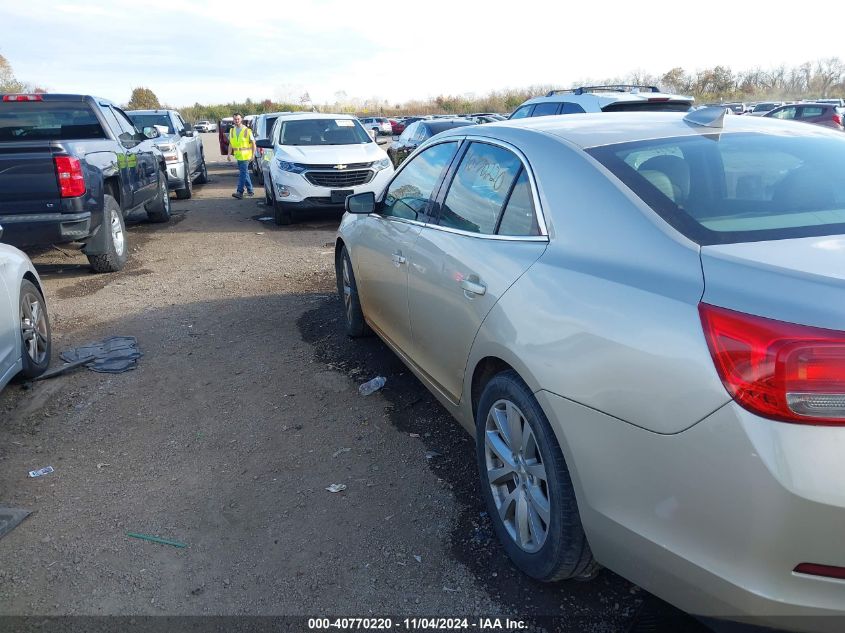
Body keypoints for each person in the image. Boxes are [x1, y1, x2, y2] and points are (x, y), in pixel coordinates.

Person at [227, 112, 257, 199]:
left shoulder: (247, 130)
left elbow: (253, 144)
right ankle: (250, 190)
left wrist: (253, 155)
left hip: (246, 156)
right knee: (245, 173)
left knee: (242, 174)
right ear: (233, 120)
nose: (236, 121)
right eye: (235, 119)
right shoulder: (232, 130)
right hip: (238, 156)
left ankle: (240, 191)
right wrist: (229, 154)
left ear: (241, 120)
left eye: (238, 119)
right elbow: (230, 144)